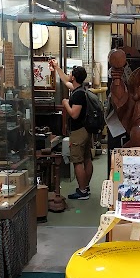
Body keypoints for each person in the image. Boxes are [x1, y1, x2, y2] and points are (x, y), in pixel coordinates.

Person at [50, 59, 93, 200]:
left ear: (73, 77)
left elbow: (74, 114)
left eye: (70, 74)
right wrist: (57, 67)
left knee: (78, 161)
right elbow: (65, 80)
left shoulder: (78, 94)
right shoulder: (79, 89)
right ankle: (85, 187)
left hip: (79, 132)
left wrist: (65, 103)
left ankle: (82, 191)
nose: (68, 75)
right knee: (86, 159)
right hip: (85, 130)